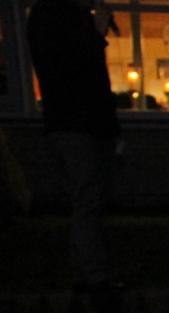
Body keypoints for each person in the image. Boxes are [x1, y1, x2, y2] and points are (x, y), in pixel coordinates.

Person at [26, 0, 121, 296]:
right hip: (76, 122)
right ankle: (93, 278)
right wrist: (97, 33)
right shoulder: (54, 15)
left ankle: (87, 273)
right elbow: (76, 67)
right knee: (88, 196)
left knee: (87, 197)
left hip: (78, 121)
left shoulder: (54, 14)